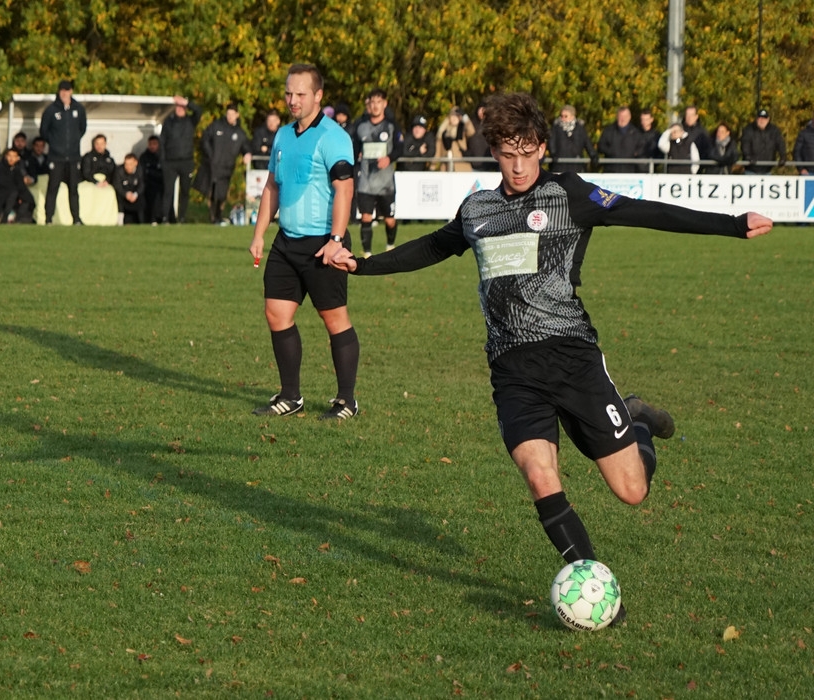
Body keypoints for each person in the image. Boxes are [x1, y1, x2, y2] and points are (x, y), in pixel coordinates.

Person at [328, 92, 773, 620]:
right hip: (512, 370)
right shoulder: (478, 209)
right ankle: (595, 588)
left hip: (572, 358)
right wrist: (362, 265)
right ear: (495, 152)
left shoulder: (569, 194)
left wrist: (731, 223)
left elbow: (644, 211)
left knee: (632, 491)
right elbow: (432, 247)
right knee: (540, 476)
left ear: (541, 146)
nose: (517, 167)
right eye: (506, 155)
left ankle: (638, 420)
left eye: (526, 153)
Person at [248, 63, 360, 421]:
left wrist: (336, 239)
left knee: (334, 318)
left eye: (300, 94)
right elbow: (272, 186)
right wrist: (259, 234)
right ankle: (290, 396)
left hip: (324, 242)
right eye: (288, 93)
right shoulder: (282, 135)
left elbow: (345, 189)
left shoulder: (333, 136)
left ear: (318, 96)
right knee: (276, 314)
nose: (292, 100)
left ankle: (346, 401)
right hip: (286, 242)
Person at [354, 89, 402, 256]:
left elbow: (400, 148)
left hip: (386, 183)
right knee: (366, 217)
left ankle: (390, 246)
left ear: (384, 104)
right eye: (372, 102)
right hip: (366, 182)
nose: (375, 106)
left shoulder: (391, 126)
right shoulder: (360, 126)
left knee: (389, 220)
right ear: (369, 104)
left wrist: (389, 158)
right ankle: (367, 254)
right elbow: (354, 149)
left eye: (379, 102)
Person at [194, 102, 252, 224]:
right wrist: (210, 155)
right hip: (212, 166)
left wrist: (247, 153)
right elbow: (205, 139)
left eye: (232, 114)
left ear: (237, 115)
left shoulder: (239, 132)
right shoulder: (216, 125)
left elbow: (246, 146)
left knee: (221, 194)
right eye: (228, 114)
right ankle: (212, 217)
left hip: (227, 168)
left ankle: (219, 216)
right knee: (211, 193)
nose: (230, 116)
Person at [40, 79, 87, 224]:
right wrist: (55, 144)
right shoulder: (51, 110)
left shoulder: (78, 109)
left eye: (67, 90)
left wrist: (73, 143)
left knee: (73, 189)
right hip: (56, 157)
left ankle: (76, 219)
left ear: (71, 91)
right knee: (52, 188)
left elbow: (82, 129)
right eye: (62, 90)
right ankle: (48, 218)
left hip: (73, 157)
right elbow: (44, 131)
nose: (64, 93)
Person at [159, 95, 201, 223]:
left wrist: (186, 102)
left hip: (186, 161)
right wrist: (163, 161)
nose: (179, 109)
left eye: (182, 107)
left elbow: (199, 110)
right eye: (178, 106)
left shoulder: (191, 121)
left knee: (185, 191)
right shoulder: (168, 121)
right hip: (170, 162)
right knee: (168, 191)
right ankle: (165, 218)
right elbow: (162, 141)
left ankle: (181, 218)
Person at [0, 148, 35, 224]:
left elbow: (21, 185)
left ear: (17, 158)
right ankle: (3, 218)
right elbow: (1, 183)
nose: (11, 159)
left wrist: (23, 196)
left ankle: (20, 220)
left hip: (10, 196)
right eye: (9, 156)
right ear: (5, 156)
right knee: (13, 193)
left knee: (26, 198)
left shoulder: (17, 169)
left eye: (14, 156)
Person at [549, 105, 596, 172]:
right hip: (560, 165)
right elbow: (551, 143)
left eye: (566, 116)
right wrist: (553, 155)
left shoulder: (580, 129)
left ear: (572, 116)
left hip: (576, 166)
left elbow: (587, 143)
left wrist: (593, 155)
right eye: (561, 116)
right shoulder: (556, 128)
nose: (563, 118)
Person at [741, 109, 788, 175]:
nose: (762, 120)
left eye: (764, 118)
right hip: (751, 170)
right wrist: (748, 156)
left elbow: (780, 144)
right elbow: (745, 144)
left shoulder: (774, 130)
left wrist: (783, 156)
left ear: (768, 119)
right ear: (756, 119)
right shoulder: (749, 129)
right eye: (760, 118)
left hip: (767, 170)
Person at [597, 106, 640, 173]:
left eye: (625, 116)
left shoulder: (636, 132)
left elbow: (641, 148)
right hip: (611, 170)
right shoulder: (608, 131)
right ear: (617, 117)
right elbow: (601, 146)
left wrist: (634, 153)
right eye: (621, 116)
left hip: (629, 172)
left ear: (629, 117)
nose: (623, 119)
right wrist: (612, 151)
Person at [436, 107, 475, 172]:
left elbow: (471, 131)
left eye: (457, 116)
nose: (454, 118)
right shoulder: (443, 131)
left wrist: (465, 117)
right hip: (446, 166)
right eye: (452, 115)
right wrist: (432, 166)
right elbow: (438, 151)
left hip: (462, 166)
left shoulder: (462, 129)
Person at [139, 135, 165, 224]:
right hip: (148, 184)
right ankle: (152, 219)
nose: (152, 146)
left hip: (161, 184)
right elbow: (143, 172)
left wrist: (152, 172)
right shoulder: (144, 157)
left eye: (155, 144)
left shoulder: (162, 156)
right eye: (150, 144)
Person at [114, 153, 145, 224]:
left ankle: (142, 221)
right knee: (118, 197)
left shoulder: (140, 170)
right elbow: (117, 185)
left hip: (135, 194)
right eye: (126, 164)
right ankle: (120, 221)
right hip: (124, 195)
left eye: (130, 164)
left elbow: (142, 185)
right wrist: (126, 194)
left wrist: (135, 194)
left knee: (142, 199)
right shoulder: (119, 171)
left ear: (136, 163)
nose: (128, 167)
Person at [465, 103, 495, 171]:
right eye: (480, 111)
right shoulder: (471, 124)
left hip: (489, 164)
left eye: (484, 111)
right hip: (472, 164)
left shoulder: (491, 125)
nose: (481, 113)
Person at [634, 109, 662, 173]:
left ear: (651, 119)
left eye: (646, 119)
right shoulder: (635, 134)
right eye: (642, 119)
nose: (644, 122)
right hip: (636, 169)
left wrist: (654, 163)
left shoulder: (657, 135)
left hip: (651, 170)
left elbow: (660, 153)